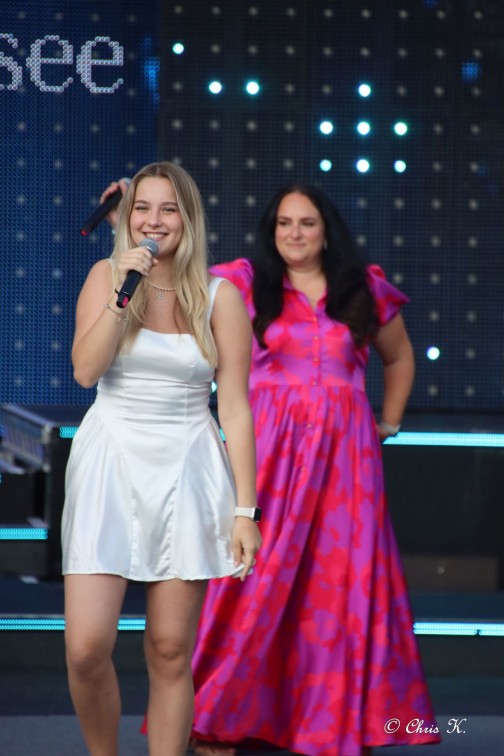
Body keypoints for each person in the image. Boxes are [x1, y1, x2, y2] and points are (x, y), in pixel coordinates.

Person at [102, 180, 441, 756]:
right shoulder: (243, 283)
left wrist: (387, 422)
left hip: (345, 463)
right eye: (284, 223)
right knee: (253, 578)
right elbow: (173, 274)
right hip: (270, 454)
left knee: (337, 586)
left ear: (326, 230)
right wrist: (125, 229)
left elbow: (400, 355)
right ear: (271, 230)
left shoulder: (363, 288)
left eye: (306, 223)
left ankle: (331, 722)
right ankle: (220, 718)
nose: (295, 234)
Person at [61, 161, 262, 756]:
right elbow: (85, 372)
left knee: (171, 649)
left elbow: (235, 410)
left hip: (187, 467)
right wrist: (122, 292)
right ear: (128, 218)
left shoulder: (221, 297)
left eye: (168, 209)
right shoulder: (107, 276)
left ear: (188, 218)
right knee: (85, 648)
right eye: (143, 208)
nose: (154, 221)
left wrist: (245, 511)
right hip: (110, 460)